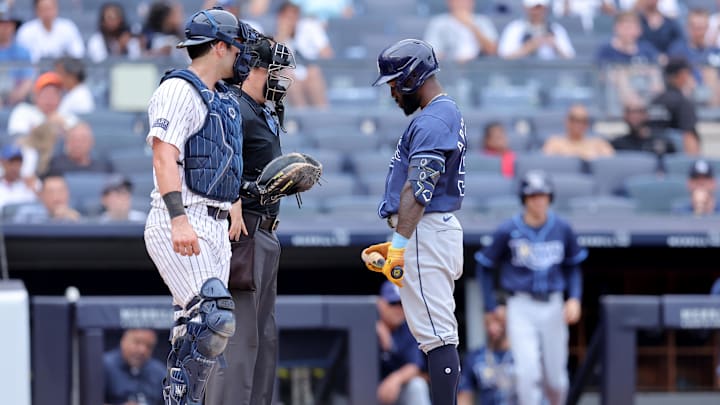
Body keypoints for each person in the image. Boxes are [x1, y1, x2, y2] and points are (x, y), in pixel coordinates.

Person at [142, 8, 255, 405]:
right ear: (220, 47)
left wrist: (234, 201)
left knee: (194, 330)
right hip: (182, 217)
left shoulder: (222, 97)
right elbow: (164, 157)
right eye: (237, 48)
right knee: (213, 317)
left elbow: (218, 156)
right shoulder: (178, 89)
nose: (243, 56)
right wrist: (178, 219)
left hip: (214, 222)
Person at [363, 39, 467, 405]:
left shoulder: (434, 117)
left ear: (412, 78)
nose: (392, 91)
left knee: (438, 338)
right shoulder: (440, 113)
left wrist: (401, 246)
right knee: (438, 335)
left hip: (425, 230)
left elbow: (418, 188)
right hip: (427, 230)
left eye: (394, 83)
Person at [204, 35, 296, 405]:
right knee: (239, 340)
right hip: (241, 234)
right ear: (256, 69)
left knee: (263, 339)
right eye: (276, 70)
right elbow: (208, 161)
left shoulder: (259, 111)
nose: (282, 78)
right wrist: (237, 193)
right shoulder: (232, 108)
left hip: (266, 233)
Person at [476, 170, 587, 405]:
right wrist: (490, 306)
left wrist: (575, 298)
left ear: (550, 197)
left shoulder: (562, 228)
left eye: (543, 195)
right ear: (524, 199)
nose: (539, 200)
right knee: (527, 374)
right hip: (521, 305)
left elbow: (573, 266)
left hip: (554, 304)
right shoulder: (508, 229)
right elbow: (484, 265)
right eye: (533, 196)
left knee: (556, 380)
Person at [376, 281, 431, 405]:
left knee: (417, 386)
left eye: (402, 304)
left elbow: (414, 366)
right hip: (365, 387)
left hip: (393, 391)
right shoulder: (366, 322)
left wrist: (395, 379)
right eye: (393, 303)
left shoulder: (409, 327)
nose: (398, 309)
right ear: (381, 304)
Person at [274, 1, 330, 108]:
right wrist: (282, 35)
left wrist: (313, 66)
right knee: (288, 77)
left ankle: (324, 116)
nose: (292, 21)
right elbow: (274, 64)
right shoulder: (275, 36)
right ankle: (302, 118)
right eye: (287, 17)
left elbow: (327, 54)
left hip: (312, 73)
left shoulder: (310, 26)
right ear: (280, 18)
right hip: (290, 78)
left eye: (294, 16)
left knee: (314, 72)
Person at [457, 304, 516, 405]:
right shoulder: (475, 357)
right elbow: (464, 396)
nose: (493, 327)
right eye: (488, 322)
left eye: (499, 320)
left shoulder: (524, 356)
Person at [668, 9, 720, 106]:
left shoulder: (715, 52)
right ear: (687, 27)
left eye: (701, 27)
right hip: (686, 97)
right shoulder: (677, 50)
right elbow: (672, 78)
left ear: (707, 27)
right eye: (694, 27)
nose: (698, 32)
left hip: (713, 97)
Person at [651, 58, 700, 155]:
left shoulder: (655, 101)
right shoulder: (683, 103)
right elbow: (688, 137)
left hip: (654, 158)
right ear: (682, 75)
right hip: (677, 160)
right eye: (688, 73)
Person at [103, 328, 166, 405]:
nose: (142, 350)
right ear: (123, 341)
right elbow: (90, 401)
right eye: (137, 343)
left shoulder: (159, 371)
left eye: (149, 346)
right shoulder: (104, 366)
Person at [497, 0, 575, 60]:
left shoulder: (556, 29)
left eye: (539, 7)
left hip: (551, 76)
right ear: (525, 8)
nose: (536, 12)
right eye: (533, 8)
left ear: (546, 8)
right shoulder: (514, 28)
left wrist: (555, 45)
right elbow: (504, 57)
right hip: (520, 76)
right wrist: (529, 47)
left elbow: (570, 59)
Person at [423, 0, 498, 62]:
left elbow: (492, 51)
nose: (462, 3)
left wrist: (472, 26)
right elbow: (432, 55)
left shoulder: (483, 21)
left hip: (479, 69)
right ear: (449, 2)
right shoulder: (438, 23)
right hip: (450, 71)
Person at [15, 0, 85, 63]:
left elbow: (78, 53)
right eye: (43, 9)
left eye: (50, 8)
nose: (47, 13)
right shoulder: (26, 30)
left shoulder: (68, 28)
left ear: (56, 8)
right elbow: (21, 59)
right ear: (36, 10)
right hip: (34, 74)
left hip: (62, 73)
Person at [542, 103, 614, 161]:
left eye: (583, 121)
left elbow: (610, 163)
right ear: (566, 121)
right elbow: (547, 163)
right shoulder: (554, 143)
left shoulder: (599, 144)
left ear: (587, 124)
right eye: (574, 119)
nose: (579, 124)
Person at [45, 121, 113, 177]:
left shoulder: (103, 168)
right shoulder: (54, 165)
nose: (78, 145)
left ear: (91, 142)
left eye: (83, 140)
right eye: (74, 140)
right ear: (66, 142)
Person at [610, 101, 676, 155]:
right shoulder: (618, 144)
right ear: (625, 116)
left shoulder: (663, 141)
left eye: (639, 111)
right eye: (631, 112)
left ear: (646, 115)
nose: (635, 116)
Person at [0, 7, 33, 108]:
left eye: (8, 24)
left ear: (14, 26)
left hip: (18, 102)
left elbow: (28, 79)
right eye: (2, 23)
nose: (5, 27)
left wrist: (14, 98)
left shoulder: (23, 52)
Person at [12, 175, 82, 223]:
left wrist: (75, 221)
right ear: (42, 196)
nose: (56, 197)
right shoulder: (27, 213)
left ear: (68, 194)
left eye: (60, 191)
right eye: (50, 192)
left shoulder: (77, 213)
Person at [0, 144, 37, 211]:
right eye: (11, 162)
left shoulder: (31, 183)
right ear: (2, 162)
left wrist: (35, 191)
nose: (15, 167)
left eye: (18, 162)